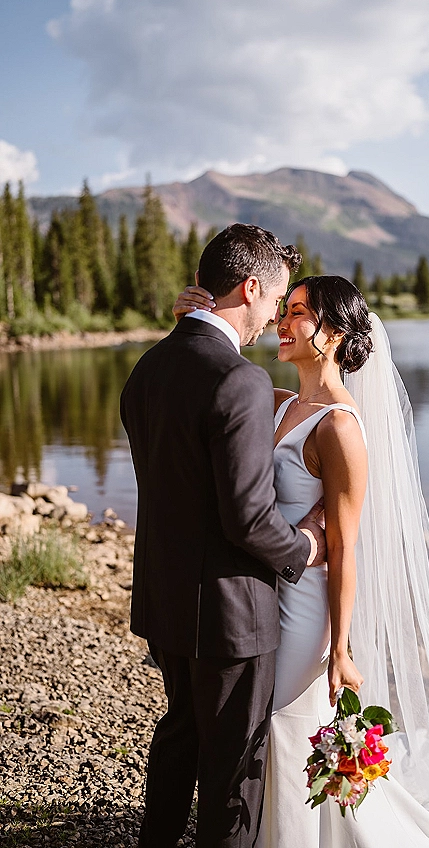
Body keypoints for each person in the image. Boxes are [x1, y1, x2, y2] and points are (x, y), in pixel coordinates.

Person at [174, 273, 429, 848]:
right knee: (261, 725)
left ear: (333, 334)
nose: (282, 323)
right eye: (282, 309)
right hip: (261, 592)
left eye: (296, 313)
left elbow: (344, 550)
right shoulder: (275, 400)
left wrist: (340, 649)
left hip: (304, 610)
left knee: (286, 726)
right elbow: (210, 375)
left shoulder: (340, 428)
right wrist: (193, 321)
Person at [120, 224, 327, 848]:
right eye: (276, 299)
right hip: (232, 613)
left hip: (164, 600)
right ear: (251, 287)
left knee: (179, 733)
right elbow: (247, 518)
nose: (274, 316)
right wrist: (307, 547)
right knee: (234, 771)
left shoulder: (147, 368)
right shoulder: (239, 380)